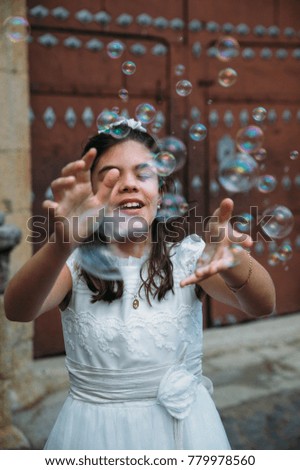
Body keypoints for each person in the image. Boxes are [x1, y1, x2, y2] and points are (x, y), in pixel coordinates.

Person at [4, 118, 276, 450]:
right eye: (110, 177)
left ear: (160, 194)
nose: (128, 184)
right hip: (95, 435)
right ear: (89, 198)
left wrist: (234, 261)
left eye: (143, 174)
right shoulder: (72, 265)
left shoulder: (189, 257)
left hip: (183, 433)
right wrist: (61, 243)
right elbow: (17, 310)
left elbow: (263, 305)